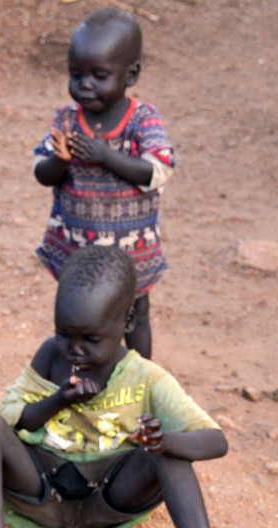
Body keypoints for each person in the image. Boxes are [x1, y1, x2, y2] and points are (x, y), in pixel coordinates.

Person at [0, 246, 263, 528]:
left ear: (127, 321)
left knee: (169, 456)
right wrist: (59, 400)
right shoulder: (52, 358)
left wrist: (164, 439)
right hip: (42, 494)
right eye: (64, 334)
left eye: (91, 338)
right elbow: (9, 417)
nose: (75, 349)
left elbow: (216, 442)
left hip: (111, 502)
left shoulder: (145, 376)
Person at [33, 7, 174, 359]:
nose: (85, 84)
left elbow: (158, 169)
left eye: (99, 75)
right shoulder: (66, 119)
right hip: (77, 247)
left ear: (131, 74)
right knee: (78, 319)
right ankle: (76, 382)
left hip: (131, 250)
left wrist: (103, 155)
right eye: (76, 74)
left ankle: (141, 380)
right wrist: (60, 160)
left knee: (136, 315)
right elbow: (42, 173)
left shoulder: (142, 119)